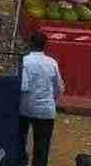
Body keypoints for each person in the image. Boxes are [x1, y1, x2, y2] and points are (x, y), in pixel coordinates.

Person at [19, 30, 64, 166]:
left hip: (26, 109)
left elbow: (23, 87)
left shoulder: (24, 61)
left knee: (20, 143)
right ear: (45, 45)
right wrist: (51, 100)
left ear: (30, 44)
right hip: (46, 111)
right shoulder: (52, 63)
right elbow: (59, 88)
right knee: (42, 148)